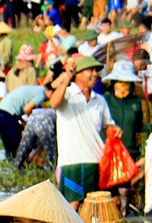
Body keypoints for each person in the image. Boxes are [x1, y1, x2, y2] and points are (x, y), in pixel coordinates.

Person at [49, 55, 120, 208]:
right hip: (73, 162)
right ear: (78, 74)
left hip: (97, 161)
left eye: (96, 70)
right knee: (72, 207)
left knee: (100, 208)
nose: (95, 74)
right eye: (90, 70)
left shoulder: (99, 100)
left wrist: (114, 130)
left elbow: (107, 125)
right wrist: (67, 77)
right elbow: (54, 102)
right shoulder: (67, 95)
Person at [103, 60, 144, 213]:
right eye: (120, 82)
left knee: (125, 189)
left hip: (129, 150)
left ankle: (124, 217)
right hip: (110, 150)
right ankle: (111, 217)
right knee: (111, 190)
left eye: (126, 82)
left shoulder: (136, 102)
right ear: (114, 82)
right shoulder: (106, 100)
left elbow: (138, 126)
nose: (123, 85)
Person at [0, 83, 47, 160]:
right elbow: (26, 109)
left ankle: (10, 160)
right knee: (16, 138)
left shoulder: (35, 89)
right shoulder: (42, 94)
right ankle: (19, 162)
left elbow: (18, 108)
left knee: (8, 142)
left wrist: (23, 122)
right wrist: (33, 121)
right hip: (6, 114)